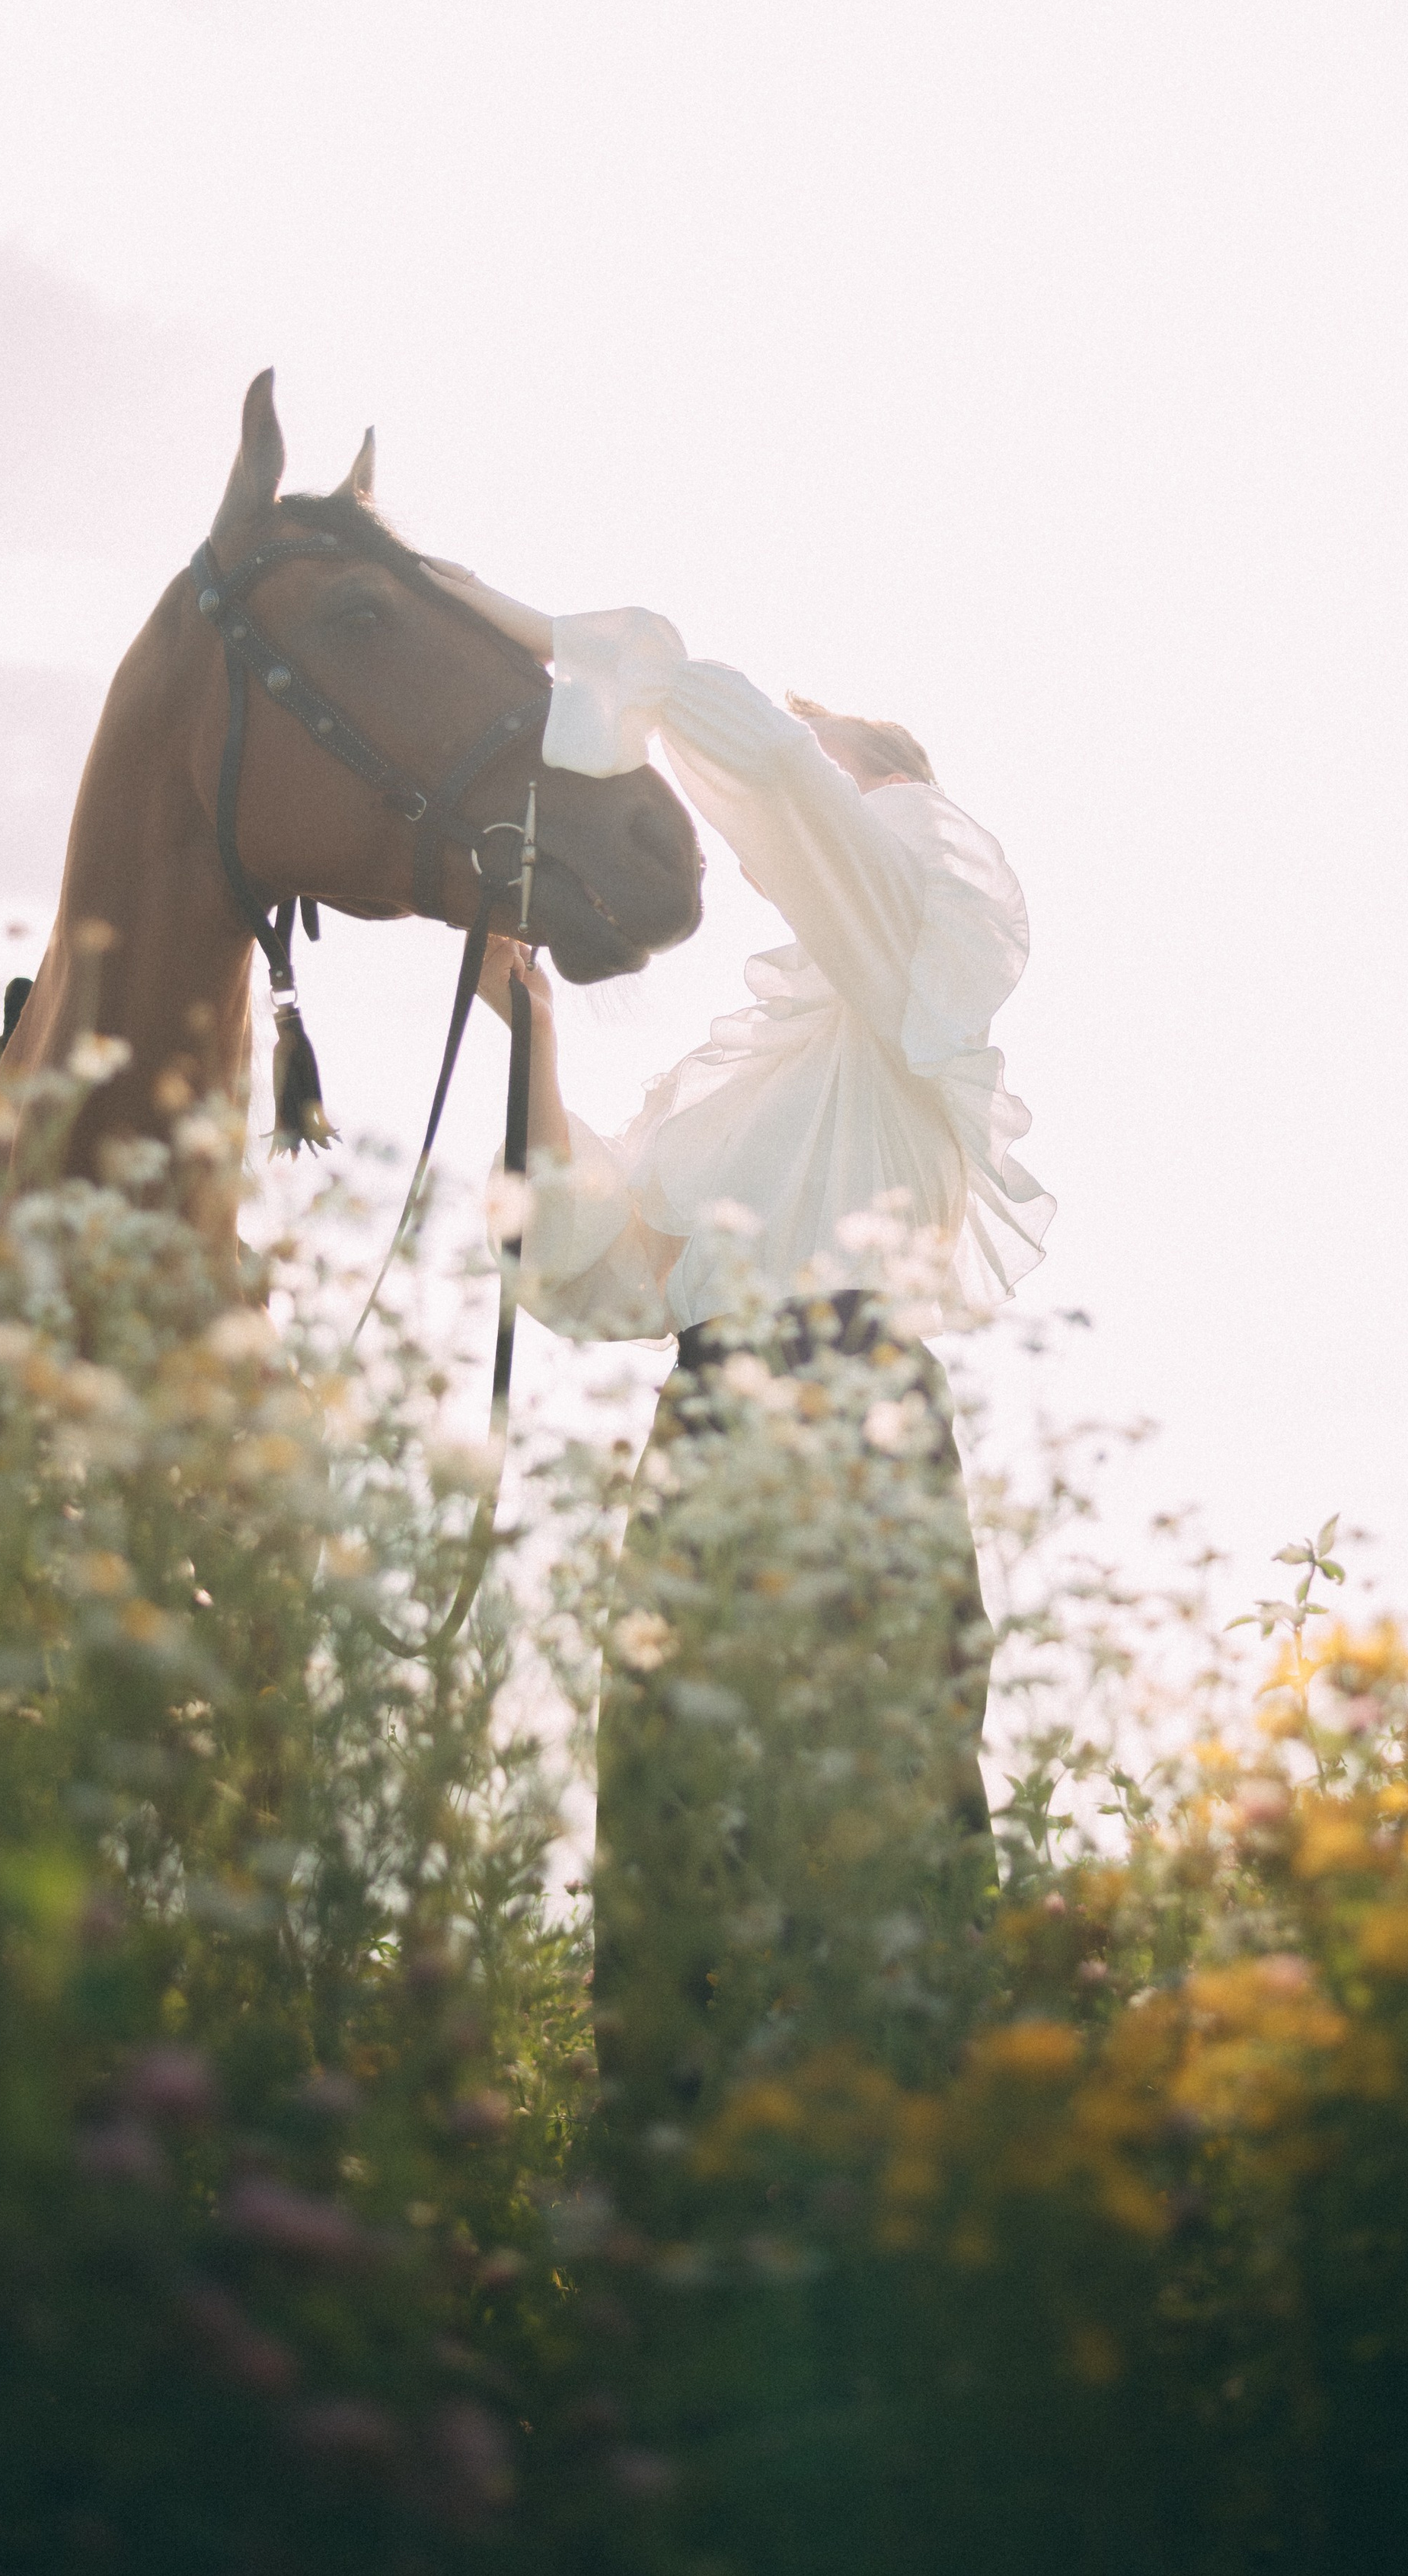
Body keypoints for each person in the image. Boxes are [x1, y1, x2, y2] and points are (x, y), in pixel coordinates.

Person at [443, 584, 1052, 2097]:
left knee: (876, 1801)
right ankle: (668, 2167)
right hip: (707, 1423)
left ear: (890, 799)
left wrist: (572, 644)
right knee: (672, 1799)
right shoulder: (746, 1095)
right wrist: (530, 1037)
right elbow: (594, 1267)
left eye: (828, 746)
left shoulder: (913, 985)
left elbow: (780, 786)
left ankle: (904, 2173)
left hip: (854, 1412)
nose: (791, 768)